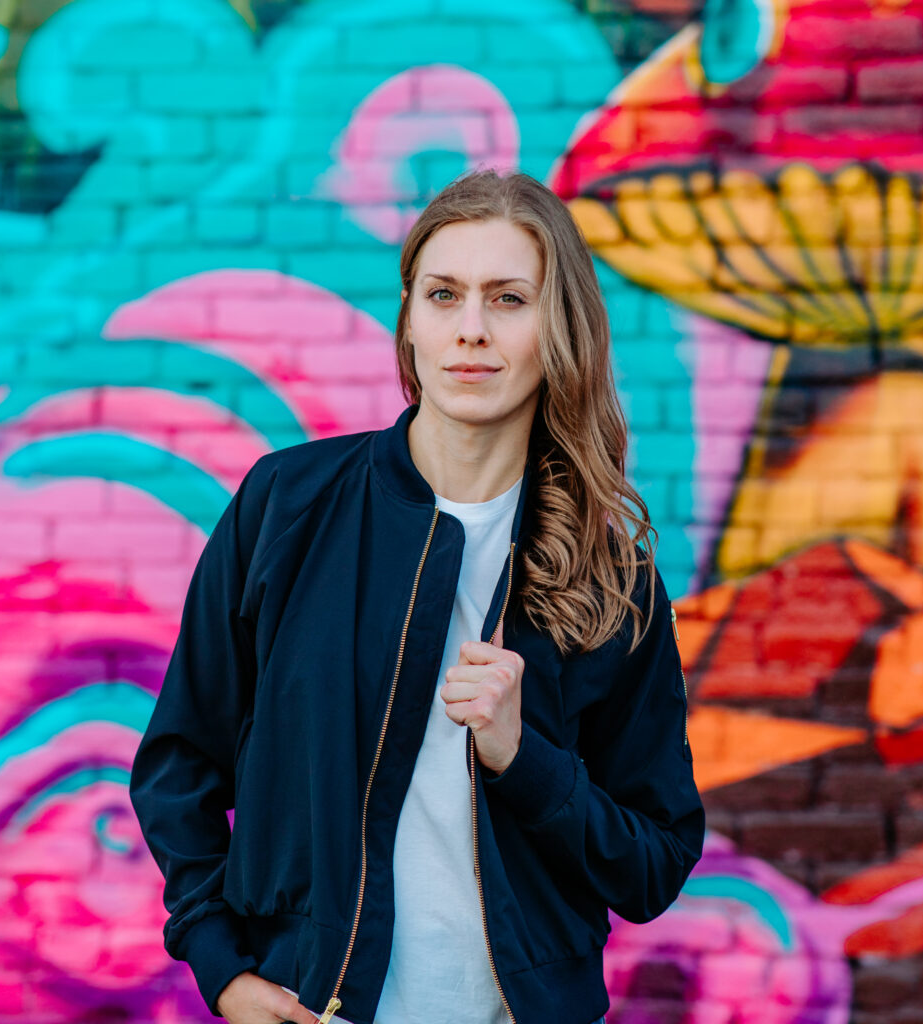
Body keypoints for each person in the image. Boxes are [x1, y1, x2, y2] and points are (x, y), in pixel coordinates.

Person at [129, 170, 704, 1024]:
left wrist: (524, 758)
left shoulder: (607, 577)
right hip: (311, 1004)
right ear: (409, 322)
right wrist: (221, 965)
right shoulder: (287, 507)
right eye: (444, 296)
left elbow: (653, 864)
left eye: (509, 300)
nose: (471, 330)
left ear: (559, 328)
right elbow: (180, 763)